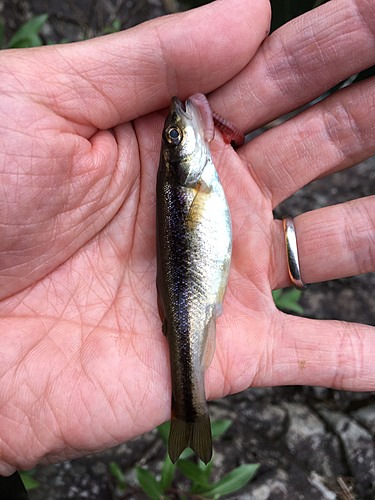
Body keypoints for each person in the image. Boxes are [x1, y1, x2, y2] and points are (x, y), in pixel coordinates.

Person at [0, 0, 374, 476]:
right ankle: (188, 409)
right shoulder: (190, 182)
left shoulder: (190, 182)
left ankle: (188, 410)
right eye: (175, 141)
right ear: (178, 161)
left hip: (193, 289)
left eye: (171, 139)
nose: (179, 132)